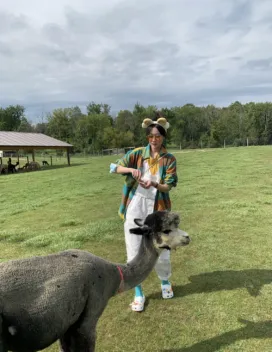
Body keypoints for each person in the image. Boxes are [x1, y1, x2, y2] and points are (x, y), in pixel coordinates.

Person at [110, 113, 178, 312]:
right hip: (135, 206)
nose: (154, 140)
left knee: (163, 247)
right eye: (151, 136)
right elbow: (113, 167)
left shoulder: (169, 159)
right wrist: (130, 171)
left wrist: (154, 183)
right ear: (147, 137)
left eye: (157, 136)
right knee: (134, 248)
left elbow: (169, 186)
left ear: (163, 136)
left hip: (159, 209)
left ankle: (165, 282)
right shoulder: (138, 154)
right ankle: (138, 291)